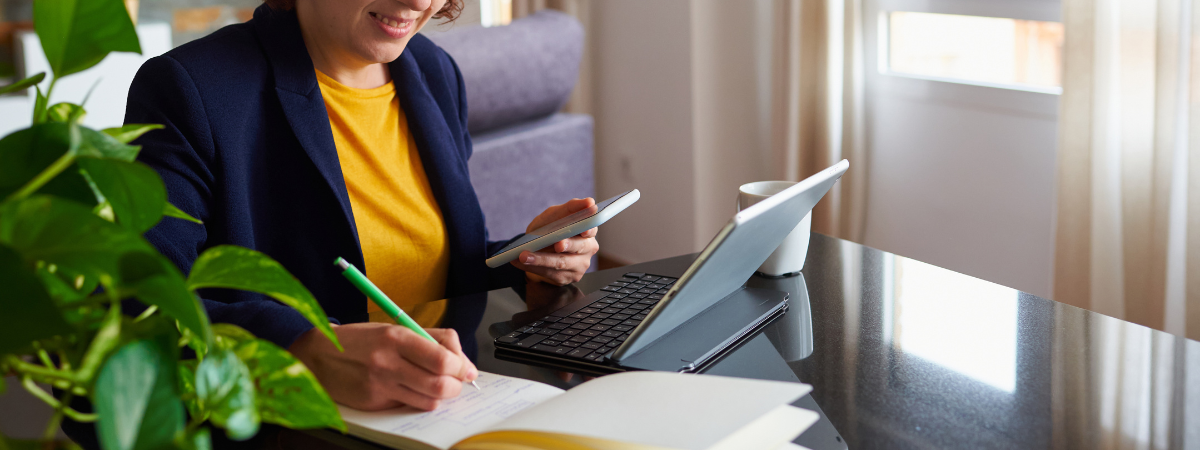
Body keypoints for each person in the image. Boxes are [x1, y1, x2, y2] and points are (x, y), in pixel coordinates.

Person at [125, 0, 599, 412]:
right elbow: (140, 308)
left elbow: (424, 268)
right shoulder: (191, 88)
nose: (419, 2)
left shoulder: (433, 71)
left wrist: (524, 260)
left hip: (454, 401)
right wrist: (304, 348)